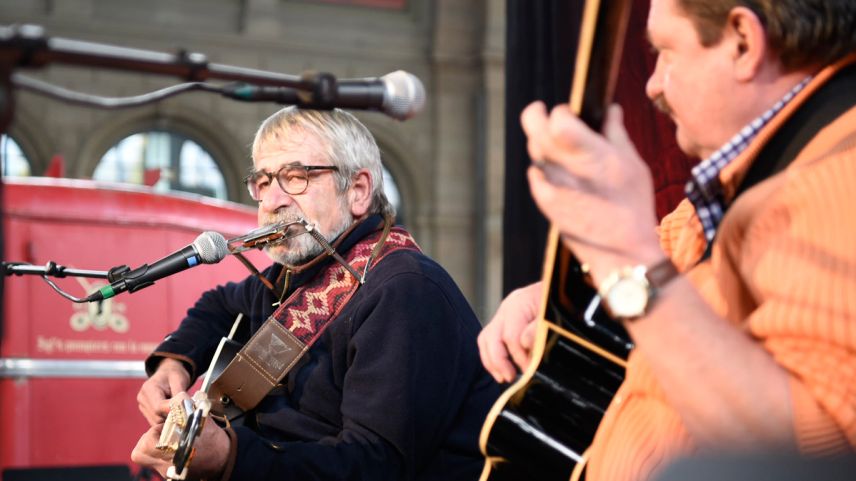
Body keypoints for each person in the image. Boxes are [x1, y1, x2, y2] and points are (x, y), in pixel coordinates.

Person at [478, 1, 856, 480]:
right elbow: (672, 257)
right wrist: (554, 292)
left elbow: (806, 453)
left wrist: (622, 255)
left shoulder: (837, 179)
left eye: (666, 53)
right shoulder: (747, 180)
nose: (653, 84)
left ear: (743, 41)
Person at [131, 107, 499, 480]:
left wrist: (229, 457)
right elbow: (218, 306)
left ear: (357, 191)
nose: (272, 202)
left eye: (295, 177)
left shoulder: (406, 292)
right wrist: (173, 364)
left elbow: (374, 467)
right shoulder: (293, 275)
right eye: (262, 182)